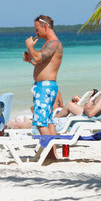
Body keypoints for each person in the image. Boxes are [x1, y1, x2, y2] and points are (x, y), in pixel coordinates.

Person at [23, 15, 63, 160]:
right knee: (48, 120)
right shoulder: (50, 43)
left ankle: (50, 154)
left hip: (45, 87)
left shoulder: (53, 43)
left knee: (39, 121)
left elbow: (39, 58)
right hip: (45, 86)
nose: (36, 33)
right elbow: (41, 64)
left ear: (45, 27)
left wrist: (30, 47)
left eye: (37, 29)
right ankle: (53, 154)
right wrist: (30, 60)